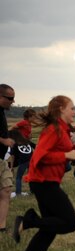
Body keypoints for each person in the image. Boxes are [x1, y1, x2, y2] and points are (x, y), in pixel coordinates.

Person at [12, 95, 75, 251]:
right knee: (70, 222)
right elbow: (39, 156)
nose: (74, 111)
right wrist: (66, 155)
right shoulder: (54, 129)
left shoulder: (62, 129)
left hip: (48, 181)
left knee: (51, 224)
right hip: (43, 181)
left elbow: (61, 151)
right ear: (61, 109)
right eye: (71, 108)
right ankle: (29, 221)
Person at [0, 84, 17, 233]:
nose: (12, 101)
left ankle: (2, 227)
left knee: (6, 190)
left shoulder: (2, 112)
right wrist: (3, 140)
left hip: (2, 159)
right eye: (10, 98)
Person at [8, 130, 34, 197]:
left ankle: (18, 193)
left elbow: (12, 157)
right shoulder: (26, 141)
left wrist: (11, 168)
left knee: (18, 178)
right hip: (32, 160)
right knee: (31, 177)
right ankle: (32, 191)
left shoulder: (14, 144)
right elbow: (35, 147)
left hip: (24, 162)